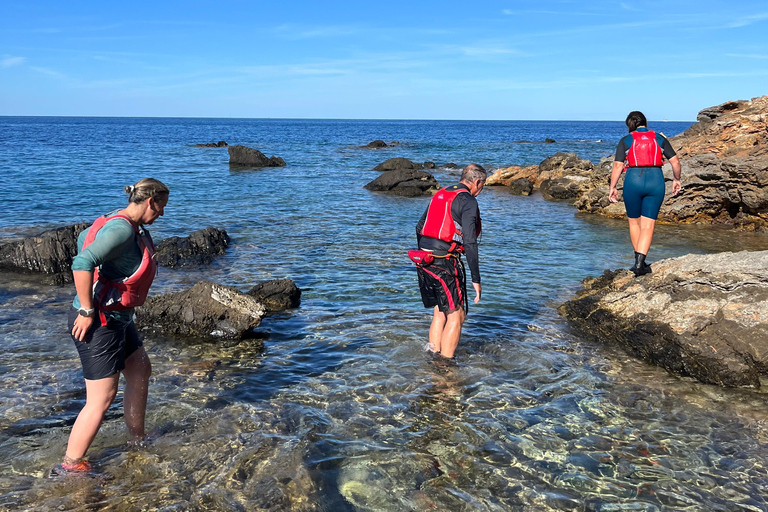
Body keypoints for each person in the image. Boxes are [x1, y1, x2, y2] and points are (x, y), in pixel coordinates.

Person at [52, 178, 169, 477]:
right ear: (151, 202)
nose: (162, 215)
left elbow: (83, 238)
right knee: (102, 397)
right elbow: (82, 261)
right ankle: (70, 465)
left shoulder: (125, 224)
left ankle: (137, 439)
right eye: (162, 207)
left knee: (140, 368)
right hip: (99, 321)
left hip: (118, 318)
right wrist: (87, 309)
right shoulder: (120, 229)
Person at [412, 164, 486, 359]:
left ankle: (432, 356)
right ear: (477, 182)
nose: (481, 191)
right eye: (482, 185)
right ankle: (445, 368)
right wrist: (476, 279)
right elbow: (470, 241)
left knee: (440, 312)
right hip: (444, 262)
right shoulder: (468, 200)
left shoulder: (442, 193)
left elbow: (419, 227)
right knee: (457, 315)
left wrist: (425, 252)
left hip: (424, 259)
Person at [609, 111, 682, 276]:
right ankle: (640, 264)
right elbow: (675, 161)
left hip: (633, 181)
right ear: (645, 122)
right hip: (655, 181)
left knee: (634, 223)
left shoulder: (626, 140)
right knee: (648, 225)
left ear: (630, 125)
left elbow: (617, 166)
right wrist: (677, 179)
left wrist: (612, 187)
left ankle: (637, 264)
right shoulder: (659, 138)